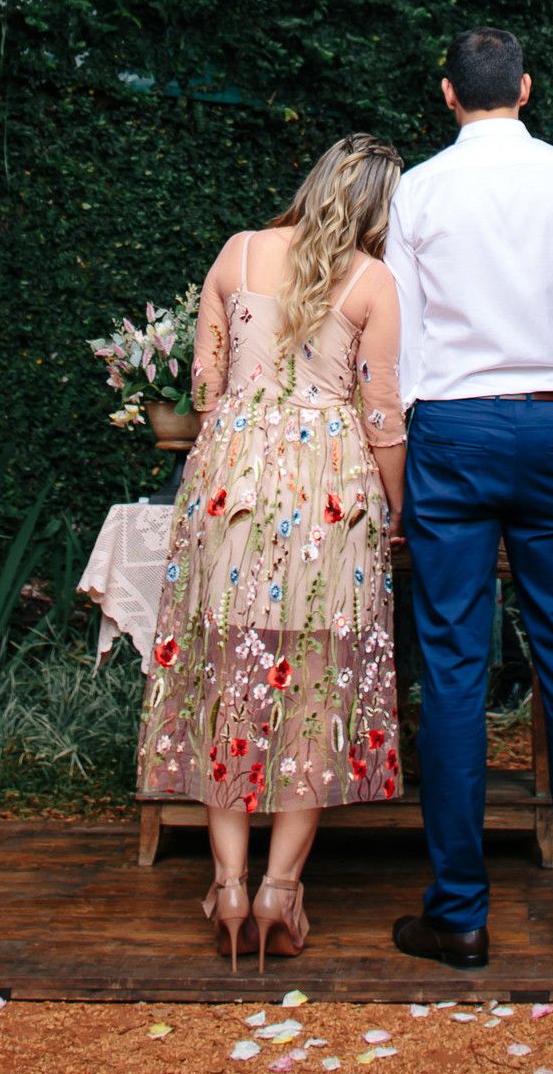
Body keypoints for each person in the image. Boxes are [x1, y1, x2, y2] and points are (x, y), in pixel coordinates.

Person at [387, 27, 553, 970]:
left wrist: (408, 448)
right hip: (548, 429)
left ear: (448, 93)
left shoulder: (415, 190)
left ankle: (458, 915)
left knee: (453, 669)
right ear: (528, 90)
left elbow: (400, 348)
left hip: (449, 433)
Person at [138, 135, 407, 970]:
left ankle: (226, 883)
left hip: (232, 484)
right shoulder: (373, 282)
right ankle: (281, 890)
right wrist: (395, 509)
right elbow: (383, 414)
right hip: (329, 492)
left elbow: (204, 388)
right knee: (316, 678)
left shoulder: (240, 252)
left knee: (228, 672)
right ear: (376, 208)